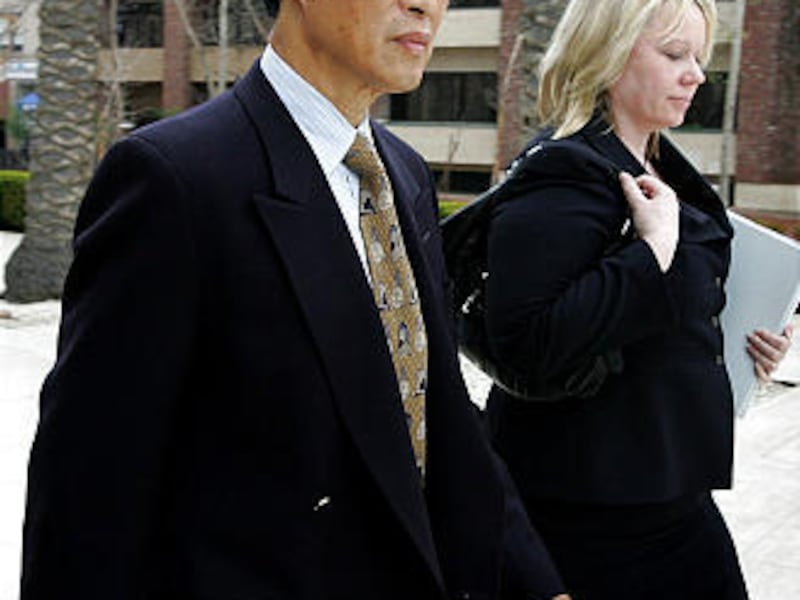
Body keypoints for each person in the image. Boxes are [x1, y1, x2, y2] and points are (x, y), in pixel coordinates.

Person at [20, 0, 574, 599]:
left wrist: (540, 584)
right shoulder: (175, 178)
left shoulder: (404, 176)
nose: (427, 6)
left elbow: (430, 408)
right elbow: (89, 487)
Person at [482, 0, 793, 599]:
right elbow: (526, 345)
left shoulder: (656, 164)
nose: (697, 74)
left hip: (665, 488)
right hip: (595, 515)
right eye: (675, 54)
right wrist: (650, 253)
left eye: (699, 58)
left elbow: (655, 315)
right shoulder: (562, 172)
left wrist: (742, 342)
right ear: (608, 56)